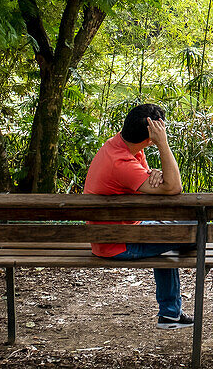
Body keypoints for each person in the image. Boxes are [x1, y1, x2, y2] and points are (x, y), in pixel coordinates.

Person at [83, 103, 195, 329]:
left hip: (118, 233)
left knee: (167, 234)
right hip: (118, 244)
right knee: (193, 229)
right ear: (150, 138)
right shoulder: (122, 163)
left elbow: (156, 182)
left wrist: (157, 175)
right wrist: (163, 145)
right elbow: (174, 188)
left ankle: (170, 314)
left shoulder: (119, 146)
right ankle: (170, 313)